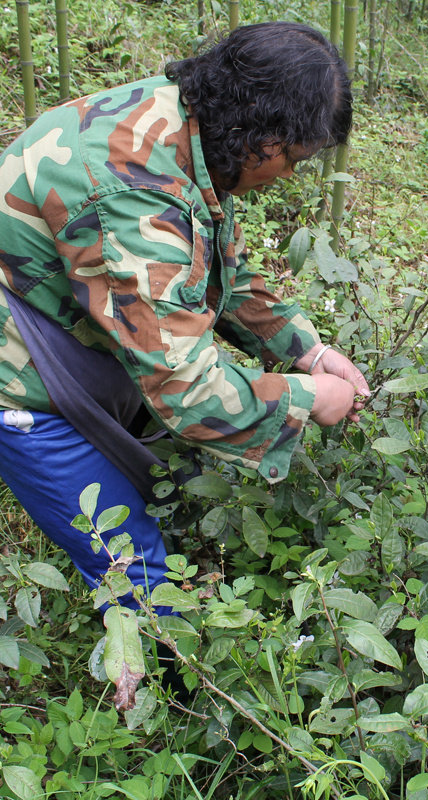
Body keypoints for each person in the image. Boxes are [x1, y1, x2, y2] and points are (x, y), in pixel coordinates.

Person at [0, 22, 370, 609]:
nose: (290, 176)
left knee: (164, 498)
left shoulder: (190, 126)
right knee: (136, 567)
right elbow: (185, 388)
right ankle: (169, 686)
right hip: (17, 374)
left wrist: (310, 350)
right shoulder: (134, 189)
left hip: (77, 332)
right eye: (293, 158)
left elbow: (225, 272)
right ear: (261, 135)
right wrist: (307, 397)